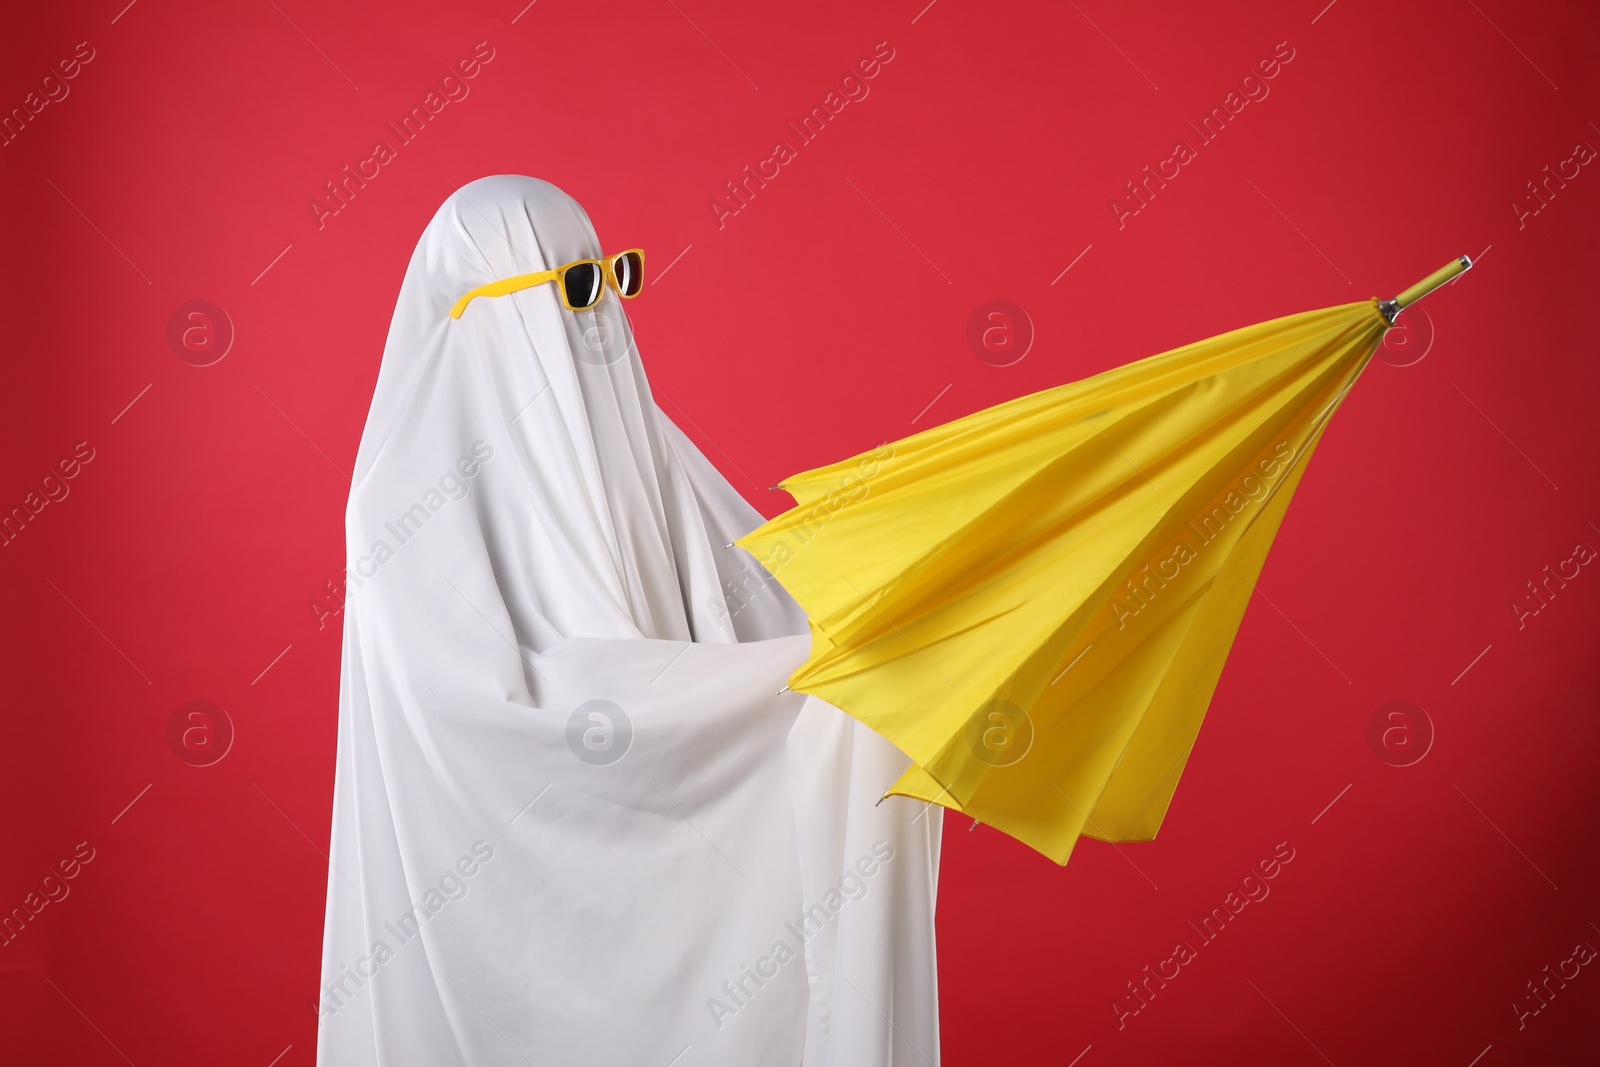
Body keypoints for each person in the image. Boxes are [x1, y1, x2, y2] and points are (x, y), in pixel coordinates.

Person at [316, 175, 941, 1066]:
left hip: (691, 896)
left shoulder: (645, 448)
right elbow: (489, 719)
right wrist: (791, 680)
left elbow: (767, 593)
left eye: (614, 277)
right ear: (486, 307)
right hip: (507, 912)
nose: (602, 312)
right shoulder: (400, 505)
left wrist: (894, 628)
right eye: (575, 288)